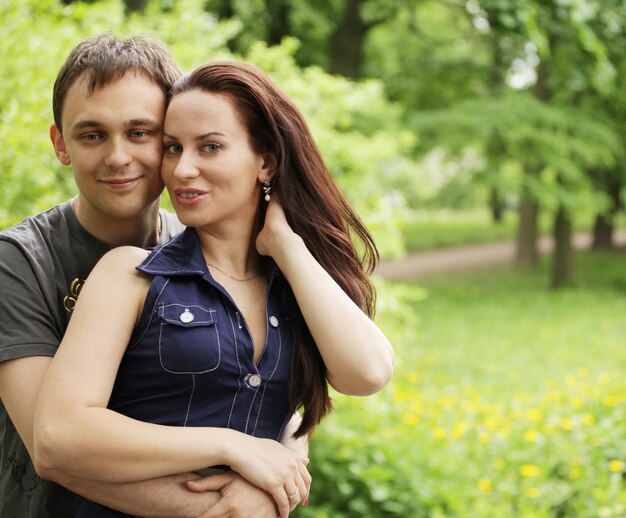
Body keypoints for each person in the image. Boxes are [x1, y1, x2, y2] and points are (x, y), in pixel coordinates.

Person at [33, 61, 395, 517]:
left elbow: (367, 374)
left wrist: (286, 245)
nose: (183, 169)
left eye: (210, 147)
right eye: (172, 148)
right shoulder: (131, 275)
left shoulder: (296, 286)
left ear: (266, 160)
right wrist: (233, 447)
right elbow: (58, 436)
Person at [0, 34, 305, 518]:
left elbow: (273, 382)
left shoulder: (209, 247)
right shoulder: (18, 263)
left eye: (141, 133)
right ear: (61, 144)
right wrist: (229, 504)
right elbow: (56, 452)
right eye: (92, 134)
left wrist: (288, 457)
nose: (119, 156)